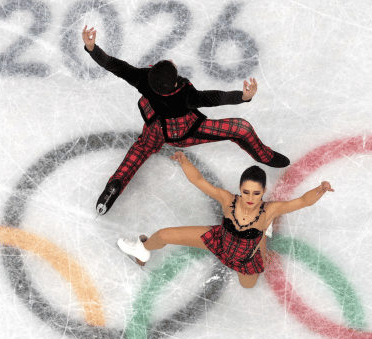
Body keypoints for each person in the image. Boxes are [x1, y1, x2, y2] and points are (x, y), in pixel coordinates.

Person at [81, 25, 290, 216]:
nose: (172, 62)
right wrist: (243, 96)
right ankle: (264, 155)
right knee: (241, 128)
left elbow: (115, 66)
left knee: (142, 148)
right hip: (181, 131)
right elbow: (214, 98)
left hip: (155, 125)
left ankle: (115, 184)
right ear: (174, 84)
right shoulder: (186, 96)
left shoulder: (143, 79)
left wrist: (92, 48)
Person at [117, 151, 333, 288]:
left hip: (246, 258)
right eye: (246, 192)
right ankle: (142, 249)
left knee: (248, 285)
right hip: (219, 240)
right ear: (240, 188)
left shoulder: (269, 210)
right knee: (164, 235)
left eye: (256, 193)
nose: (250, 198)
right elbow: (200, 181)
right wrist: (184, 161)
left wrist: (320, 189)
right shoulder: (228, 200)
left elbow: (301, 201)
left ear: (264, 192)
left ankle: (263, 234)